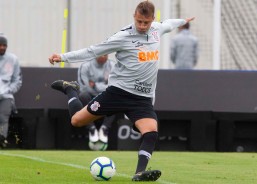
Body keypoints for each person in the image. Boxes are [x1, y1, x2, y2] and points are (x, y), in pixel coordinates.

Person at [49, 1, 194, 181]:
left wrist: (183, 20)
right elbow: (92, 51)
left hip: (142, 98)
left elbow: (169, 24)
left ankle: (140, 172)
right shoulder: (122, 37)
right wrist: (62, 57)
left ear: (152, 20)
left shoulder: (156, 29)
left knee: (151, 132)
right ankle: (70, 89)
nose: (142, 26)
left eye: (146, 22)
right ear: (134, 16)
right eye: (139, 21)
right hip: (118, 93)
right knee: (76, 121)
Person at [78, 54, 115, 146]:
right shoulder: (85, 66)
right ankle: (91, 128)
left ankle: (104, 128)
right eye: (101, 54)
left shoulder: (113, 65)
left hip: (106, 96)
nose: (103, 56)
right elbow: (84, 87)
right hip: (90, 96)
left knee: (116, 96)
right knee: (83, 95)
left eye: (105, 55)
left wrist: (95, 85)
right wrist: (105, 85)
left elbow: (115, 86)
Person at [0, 34, 22, 148]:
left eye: (4, 45)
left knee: (3, 117)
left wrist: (9, 90)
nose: (2, 47)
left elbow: (17, 80)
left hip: (6, 95)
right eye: (0, 45)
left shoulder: (13, 59)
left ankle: (2, 139)